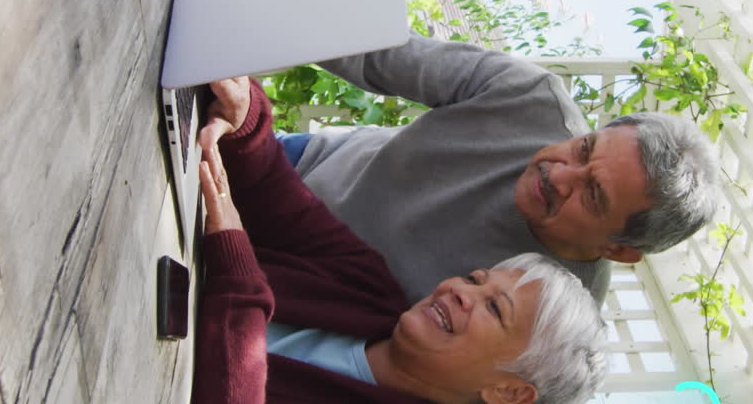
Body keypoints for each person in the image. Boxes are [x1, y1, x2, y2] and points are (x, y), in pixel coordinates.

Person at [193, 77, 607, 404]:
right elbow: (278, 197)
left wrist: (237, 275)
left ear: (509, 392)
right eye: (477, 280)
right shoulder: (367, 285)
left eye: (496, 309)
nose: (461, 292)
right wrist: (246, 121)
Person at [261, 33, 720, 304]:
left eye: (593, 195)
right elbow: (370, 50)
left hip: (294, 297)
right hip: (294, 171)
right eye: (583, 149)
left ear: (618, 251)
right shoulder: (529, 97)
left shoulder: (556, 310)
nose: (558, 174)